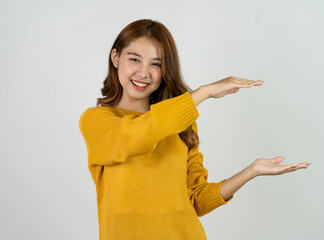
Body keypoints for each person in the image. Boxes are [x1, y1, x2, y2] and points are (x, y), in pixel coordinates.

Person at [79, 18, 311, 240]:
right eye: (135, 59)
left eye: (156, 64)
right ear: (116, 57)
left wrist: (251, 171)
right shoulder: (97, 121)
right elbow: (136, 135)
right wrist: (204, 92)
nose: (144, 72)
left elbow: (196, 200)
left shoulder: (182, 123)